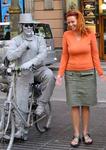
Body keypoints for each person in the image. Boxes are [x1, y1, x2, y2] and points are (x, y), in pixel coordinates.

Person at [56, 10, 106, 148]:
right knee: (74, 105)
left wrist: (101, 72)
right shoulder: (66, 35)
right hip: (71, 75)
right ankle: (76, 134)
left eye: (73, 21)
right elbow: (65, 56)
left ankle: (85, 133)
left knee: (85, 104)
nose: (71, 24)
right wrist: (59, 74)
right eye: (69, 22)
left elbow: (95, 54)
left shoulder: (89, 33)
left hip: (88, 74)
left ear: (79, 20)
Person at [6, 13, 55, 139]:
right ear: (22, 26)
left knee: (50, 75)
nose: (29, 27)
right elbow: (10, 56)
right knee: (20, 101)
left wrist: (30, 63)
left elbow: (42, 54)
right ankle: (21, 130)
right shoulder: (16, 40)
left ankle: (41, 104)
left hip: (38, 69)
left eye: (31, 25)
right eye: (26, 25)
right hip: (23, 73)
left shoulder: (39, 39)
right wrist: (23, 47)